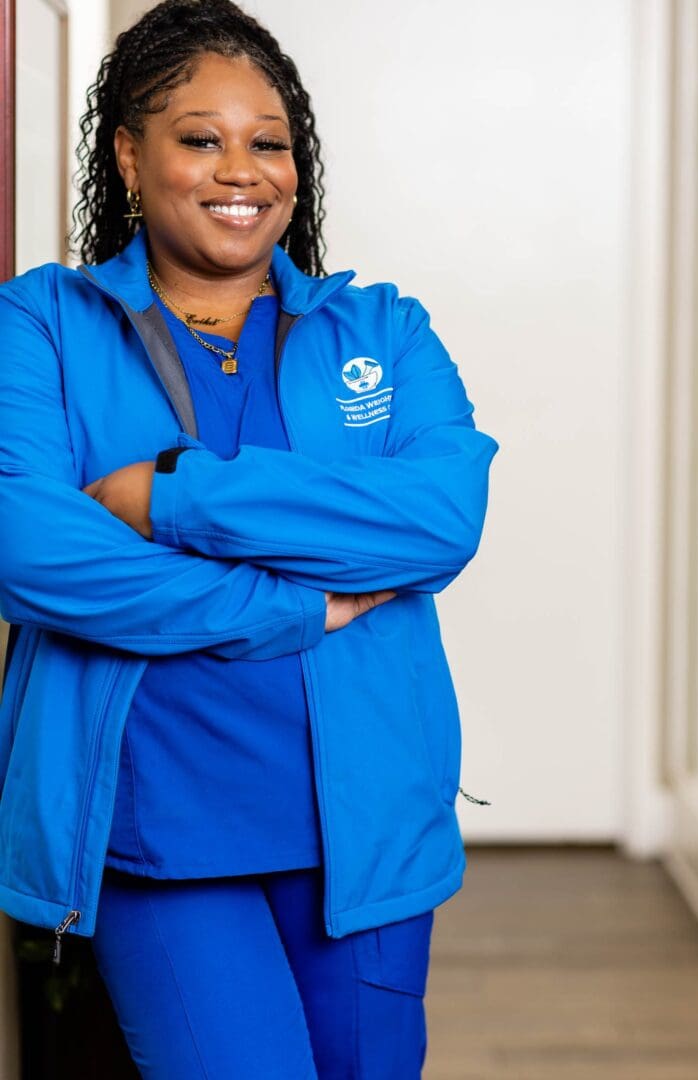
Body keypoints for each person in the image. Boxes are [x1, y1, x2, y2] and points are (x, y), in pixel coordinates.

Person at [0, 0, 499, 1075]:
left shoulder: (381, 331)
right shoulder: (40, 323)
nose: (243, 170)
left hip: (365, 840)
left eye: (268, 143)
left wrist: (172, 495)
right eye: (199, 138)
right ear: (129, 156)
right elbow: (23, 543)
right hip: (158, 838)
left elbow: (440, 519)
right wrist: (281, 606)